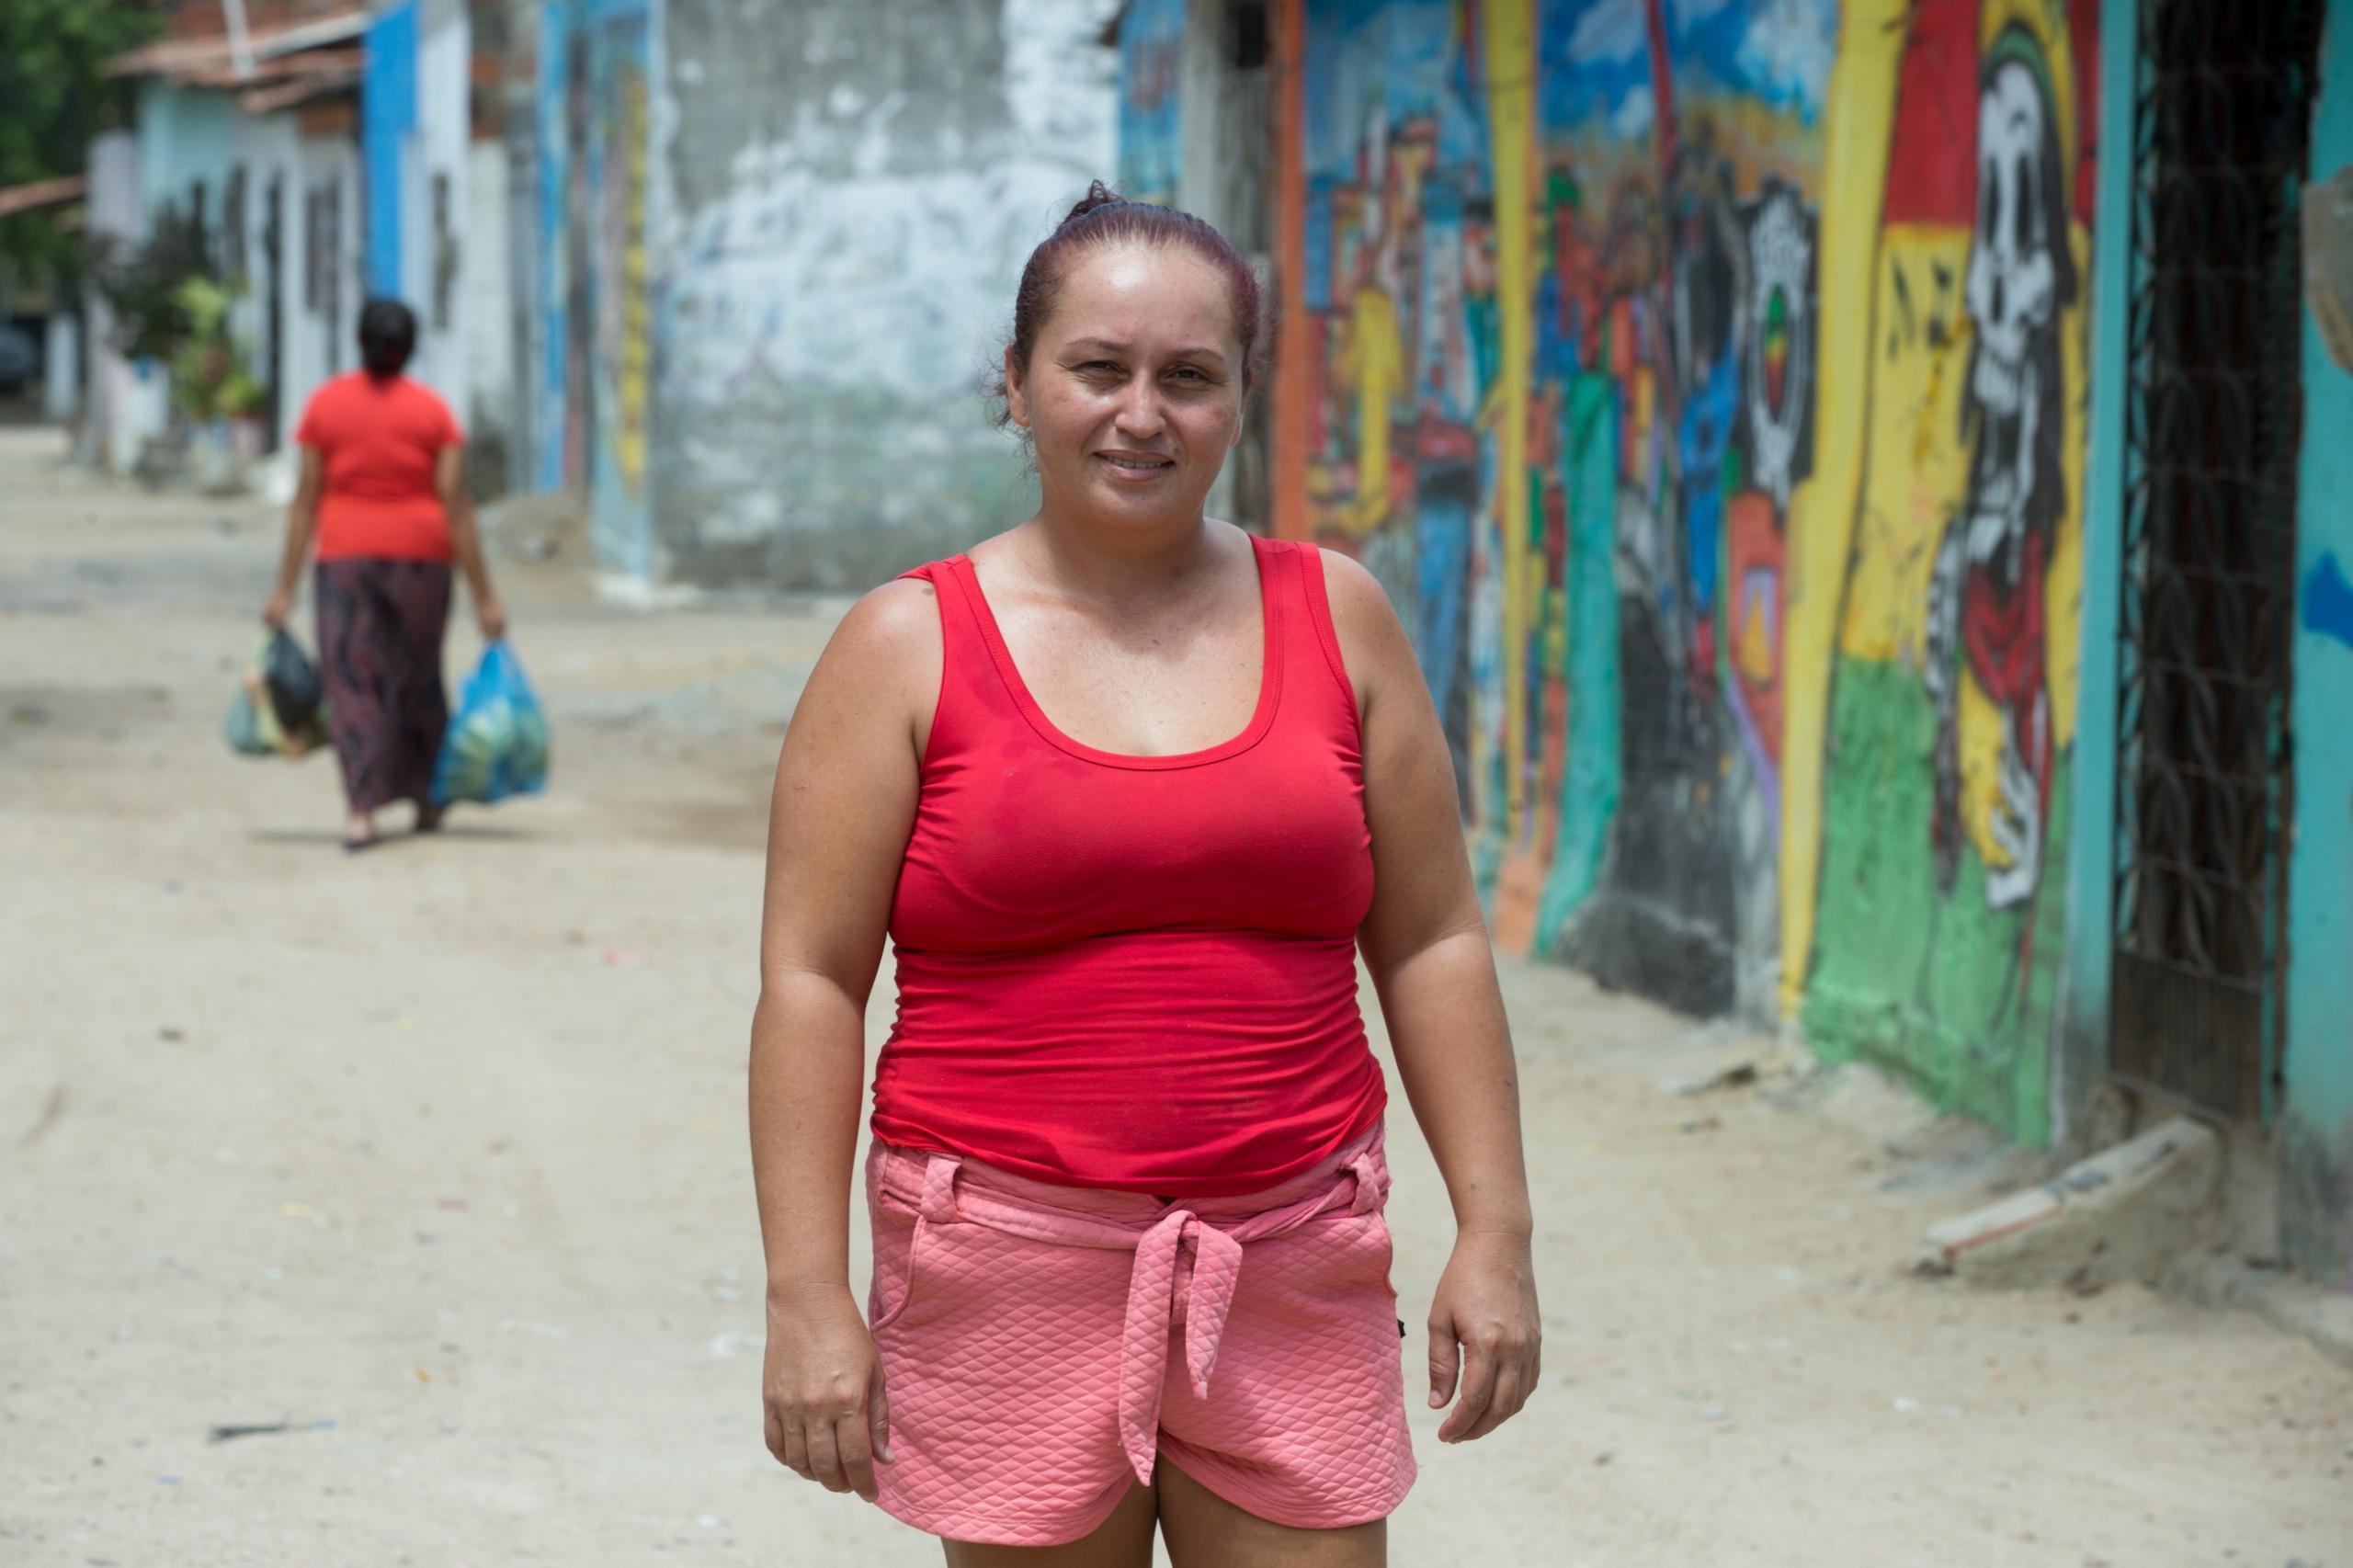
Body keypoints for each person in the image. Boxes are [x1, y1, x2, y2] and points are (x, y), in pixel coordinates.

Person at [749, 183, 1540, 1567]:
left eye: (1189, 376)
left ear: (1242, 397)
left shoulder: (1337, 613)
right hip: (1003, 1260)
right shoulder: (905, 645)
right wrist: (809, 1294)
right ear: (1016, 383)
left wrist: (1497, 1227)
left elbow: (1432, 941)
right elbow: (812, 980)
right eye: (1096, 369)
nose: (1140, 413)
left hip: (1295, 1253)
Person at [262, 299, 506, 850]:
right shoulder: (434, 413)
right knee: (417, 674)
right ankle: (424, 797)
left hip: (345, 558)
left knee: (352, 680)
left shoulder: (325, 407)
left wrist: (284, 590)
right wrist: (485, 596)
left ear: (359, 341)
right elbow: (456, 504)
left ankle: (361, 811)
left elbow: (306, 501)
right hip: (424, 558)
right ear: (412, 347)